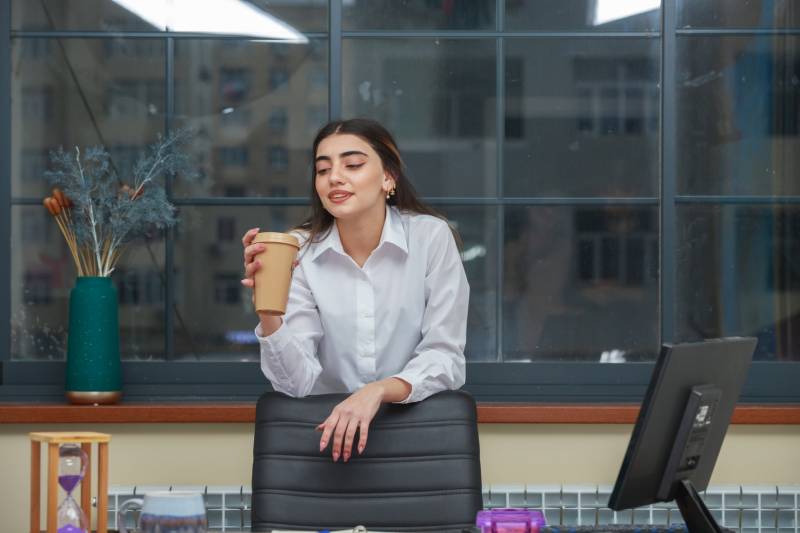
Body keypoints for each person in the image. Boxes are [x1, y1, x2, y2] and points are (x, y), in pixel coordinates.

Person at [240, 118, 469, 464]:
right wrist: (269, 310)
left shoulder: (431, 238)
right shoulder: (298, 249)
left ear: (388, 178)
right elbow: (296, 383)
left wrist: (376, 392)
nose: (334, 177)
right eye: (322, 169)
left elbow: (445, 357)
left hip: (417, 438)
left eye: (353, 164)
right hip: (323, 442)